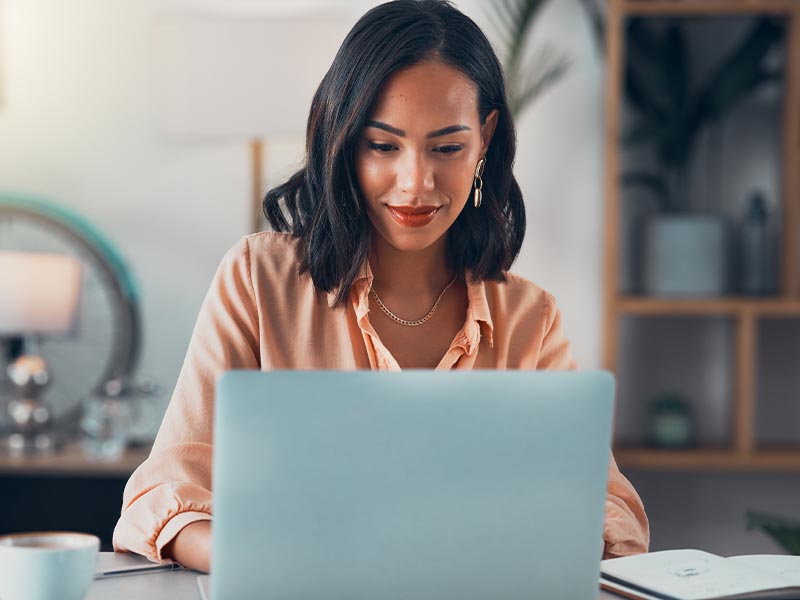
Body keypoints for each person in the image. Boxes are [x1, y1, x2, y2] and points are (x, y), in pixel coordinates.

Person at [113, 0, 649, 573]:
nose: (416, 183)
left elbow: (608, 510)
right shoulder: (257, 280)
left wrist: (531, 544)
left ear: (486, 139)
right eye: (383, 145)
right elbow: (163, 496)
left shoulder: (529, 319)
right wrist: (263, 560)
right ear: (343, 142)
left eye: (447, 148)